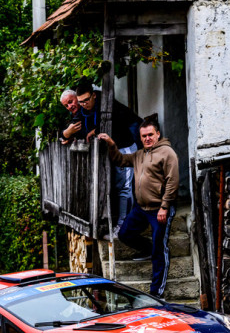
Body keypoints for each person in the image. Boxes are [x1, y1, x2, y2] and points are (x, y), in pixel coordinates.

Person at [100, 116, 179, 297]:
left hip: (160, 209)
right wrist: (112, 144)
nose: (147, 138)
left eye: (150, 135)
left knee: (160, 249)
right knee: (124, 234)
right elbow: (120, 160)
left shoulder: (167, 153)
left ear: (157, 134)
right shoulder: (139, 154)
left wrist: (165, 207)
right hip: (141, 208)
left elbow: (173, 182)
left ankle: (156, 292)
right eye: (144, 136)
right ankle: (147, 248)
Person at [74, 78, 141, 230]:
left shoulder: (108, 104)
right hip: (109, 152)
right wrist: (66, 134)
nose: (84, 104)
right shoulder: (83, 109)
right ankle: (122, 222)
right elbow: (75, 122)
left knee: (125, 187)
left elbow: (116, 122)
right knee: (117, 186)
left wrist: (96, 131)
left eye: (86, 100)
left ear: (93, 95)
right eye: (80, 102)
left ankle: (124, 225)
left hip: (124, 146)